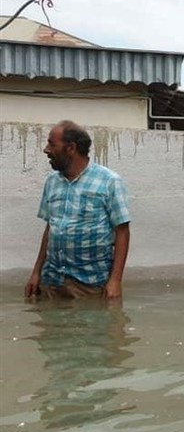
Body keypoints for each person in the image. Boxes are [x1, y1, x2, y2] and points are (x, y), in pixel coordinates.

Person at [24, 120, 131, 302]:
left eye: (52, 144)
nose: (46, 149)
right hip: (53, 281)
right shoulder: (51, 182)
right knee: (52, 329)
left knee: (94, 329)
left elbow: (122, 232)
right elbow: (51, 228)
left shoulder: (109, 181)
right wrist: (36, 272)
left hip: (90, 284)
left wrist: (115, 281)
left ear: (71, 148)